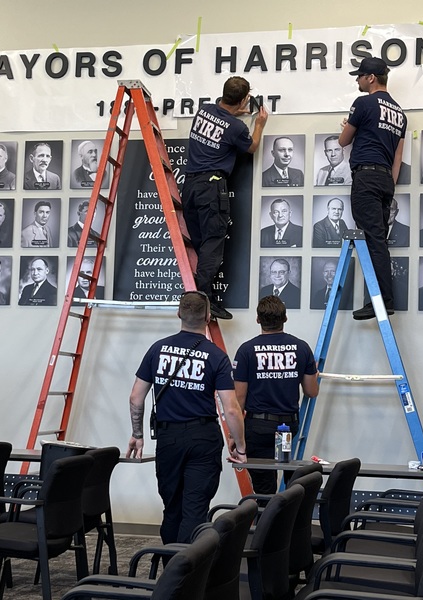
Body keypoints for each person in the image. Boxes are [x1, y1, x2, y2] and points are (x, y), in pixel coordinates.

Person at [125, 291, 246, 544]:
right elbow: (231, 409)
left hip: (168, 439)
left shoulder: (157, 349)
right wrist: (241, 445)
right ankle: (187, 573)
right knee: (195, 508)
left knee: (172, 508)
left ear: (179, 313)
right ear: (208, 316)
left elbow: (136, 398)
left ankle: (171, 568)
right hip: (203, 439)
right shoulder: (216, 356)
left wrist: (137, 434)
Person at [182, 75, 268, 320]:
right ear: (243, 100)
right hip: (212, 187)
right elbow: (251, 147)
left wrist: (234, 113)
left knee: (200, 242)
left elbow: (222, 122)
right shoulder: (237, 128)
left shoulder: (203, 111)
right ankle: (202, 299)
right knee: (213, 243)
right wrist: (259, 124)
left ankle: (203, 294)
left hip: (190, 186)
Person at [339, 56, 406, 320]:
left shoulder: (363, 103)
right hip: (385, 180)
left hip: (366, 177)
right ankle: (382, 299)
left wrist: (345, 127)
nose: (357, 80)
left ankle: (381, 301)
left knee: (373, 240)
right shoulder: (400, 112)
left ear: (371, 79)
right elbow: (397, 157)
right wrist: (390, 184)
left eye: (359, 76)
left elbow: (344, 141)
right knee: (379, 240)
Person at [233, 295, 318, 494]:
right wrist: (314, 374)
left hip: (258, 428)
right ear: (285, 319)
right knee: (290, 482)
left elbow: (239, 399)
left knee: (264, 489)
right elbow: (311, 391)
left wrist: (234, 434)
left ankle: (266, 523)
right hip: (287, 427)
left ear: (258, 319)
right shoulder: (301, 348)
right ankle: (286, 523)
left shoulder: (246, 350)